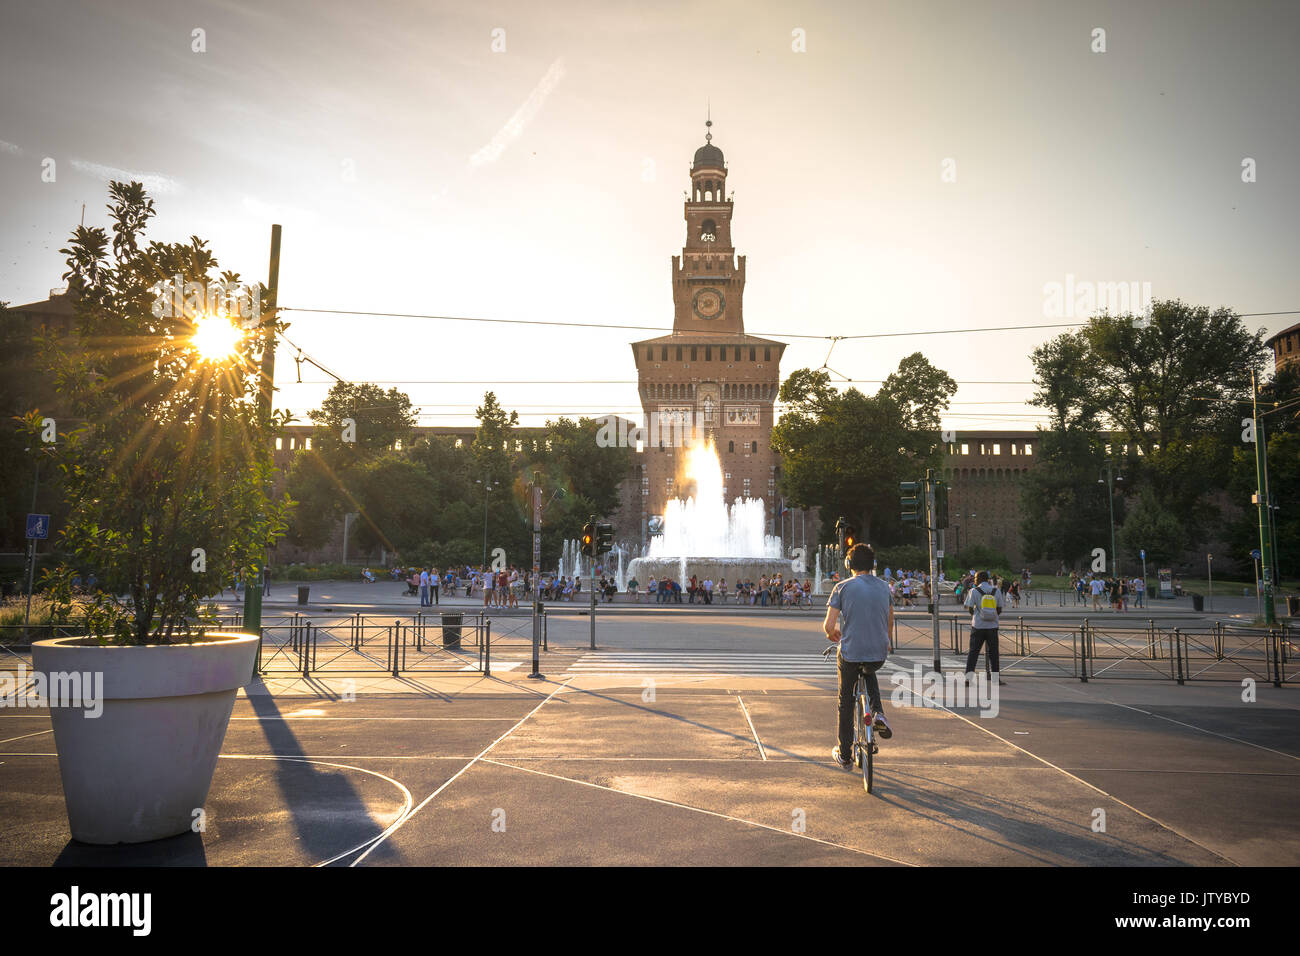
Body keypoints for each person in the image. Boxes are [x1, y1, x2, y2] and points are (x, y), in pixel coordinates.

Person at [825, 542, 894, 770]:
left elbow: (829, 625)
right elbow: (889, 621)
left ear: (849, 564)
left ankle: (845, 755)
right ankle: (878, 713)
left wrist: (833, 634)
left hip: (852, 653)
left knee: (845, 700)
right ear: (872, 565)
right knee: (869, 669)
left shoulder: (842, 587)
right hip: (878, 652)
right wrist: (886, 642)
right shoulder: (885, 587)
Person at [964, 570, 1004, 683]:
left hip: (978, 626)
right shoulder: (996, 591)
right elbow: (1000, 608)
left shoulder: (974, 591)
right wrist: (992, 616)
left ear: (980, 579)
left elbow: (970, 607)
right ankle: (996, 679)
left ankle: (968, 678)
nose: (974, 580)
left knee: (973, 653)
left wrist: (976, 616)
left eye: (975, 578)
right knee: (994, 654)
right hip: (992, 626)